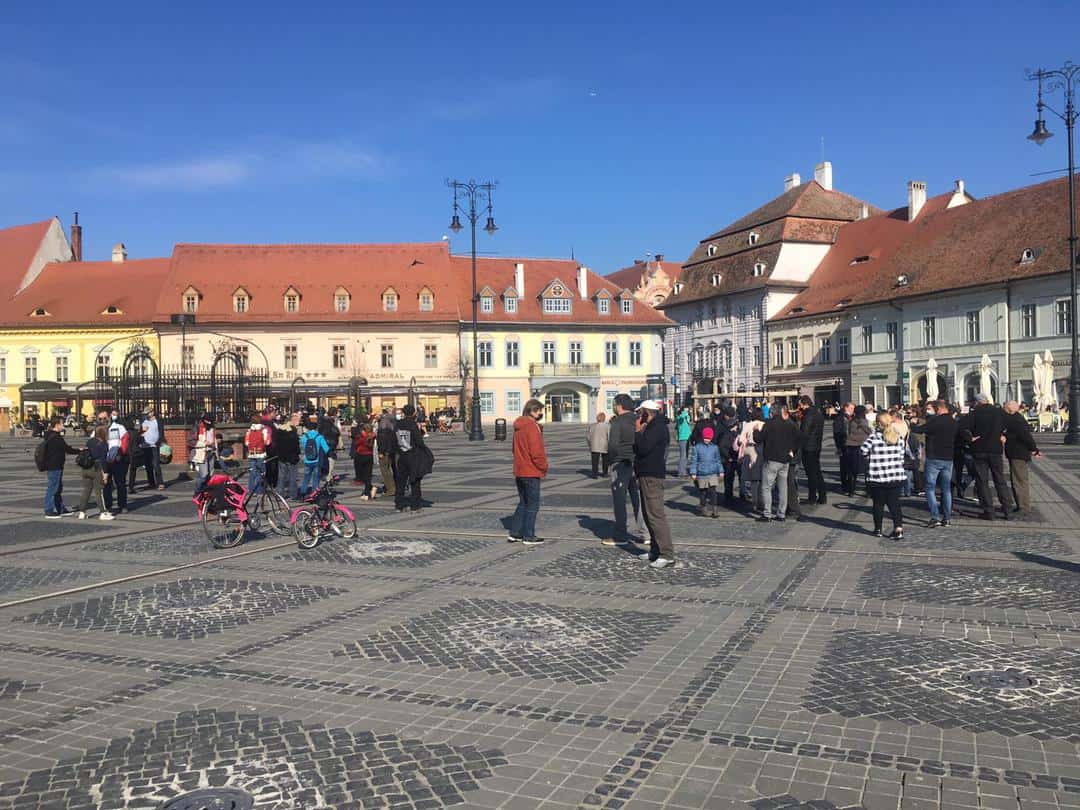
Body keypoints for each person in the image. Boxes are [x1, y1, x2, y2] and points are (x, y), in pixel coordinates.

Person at [633, 400, 674, 568]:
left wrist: (637, 432)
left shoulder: (656, 427)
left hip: (652, 475)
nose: (638, 417)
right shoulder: (653, 426)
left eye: (640, 413)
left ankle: (667, 553)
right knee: (648, 514)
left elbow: (643, 448)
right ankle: (655, 550)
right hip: (645, 473)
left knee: (656, 515)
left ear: (646, 413)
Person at [603, 394, 646, 546]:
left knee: (620, 500)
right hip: (637, 463)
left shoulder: (617, 422)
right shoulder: (637, 419)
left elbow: (613, 445)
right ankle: (646, 533)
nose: (614, 407)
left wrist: (611, 459)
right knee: (638, 499)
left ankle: (621, 535)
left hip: (620, 463)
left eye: (614, 404)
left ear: (619, 406)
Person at [910, 400, 958, 527]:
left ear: (940, 409)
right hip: (948, 458)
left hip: (934, 457)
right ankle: (947, 518)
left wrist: (912, 423)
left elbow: (919, 430)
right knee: (946, 489)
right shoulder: (954, 422)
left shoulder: (935, 421)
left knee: (930, 488)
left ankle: (935, 516)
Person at [967, 394, 1013, 520]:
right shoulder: (998, 412)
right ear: (987, 401)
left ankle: (989, 511)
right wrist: (1003, 434)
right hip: (995, 450)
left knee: (982, 482)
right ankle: (1007, 510)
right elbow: (1011, 423)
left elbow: (964, 428)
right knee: (1000, 480)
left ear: (977, 402)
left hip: (979, 449)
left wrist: (970, 438)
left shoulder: (974, 413)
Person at [861, 412, 907, 538]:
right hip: (895, 476)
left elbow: (863, 450)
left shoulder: (874, 437)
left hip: (878, 476)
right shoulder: (898, 437)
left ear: (879, 424)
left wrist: (871, 457)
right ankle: (898, 528)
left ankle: (878, 529)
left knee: (878, 504)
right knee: (894, 504)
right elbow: (902, 456)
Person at [508, 399, 548, 545]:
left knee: (523, 503)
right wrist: (543, 466)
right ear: (532, 411)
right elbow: (536, 452)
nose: (541, 413)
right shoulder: (531, 427)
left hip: (519, 470)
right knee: (532, 504)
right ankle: (529, 535)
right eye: (539, 411)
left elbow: (514, 449)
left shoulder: (519, 427)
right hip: (531, 471)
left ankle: (515, 533)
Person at [755, 405, 800, 522]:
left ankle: (767, 514)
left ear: (771, 414)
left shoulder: (769, 424)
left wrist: (756, 430)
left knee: (766, 487)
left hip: (772, 460)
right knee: (783, 488)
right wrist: (792, 451)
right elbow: (799, 439)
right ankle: (781, 514)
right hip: (785, 460)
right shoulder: (789, 424)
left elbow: (758, 439)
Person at [1003, 400, 1039, 516]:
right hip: (1017, 453)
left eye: (1005, 408)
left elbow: (1025, 436)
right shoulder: (1016, 418)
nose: (1004, 409)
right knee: (1018, 479)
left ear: (1010, 409)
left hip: (1018, 453)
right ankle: (1021, 505)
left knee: (1019, 480)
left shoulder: (1016, 420)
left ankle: (1023, 506)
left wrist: (1034, 449)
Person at [39, 416, 79, 517]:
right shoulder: (56, 437)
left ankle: (60, 508)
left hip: (54, 465)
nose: (63, 425)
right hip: (54, 466)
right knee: (53, 488)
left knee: (57, 487)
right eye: (62, 423)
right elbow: (67, 449)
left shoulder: (50, 436)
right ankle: (49, 510)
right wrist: (80, 451)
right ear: (57, 425)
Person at [394, 404, 427, 512]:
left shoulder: (398, 424)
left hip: (402, 455)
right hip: (413, 456)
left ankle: (399, 505)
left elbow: (395, 439)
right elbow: (419, 441)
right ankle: (415, 505)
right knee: (415, 481)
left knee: (401, 482)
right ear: (413, 413)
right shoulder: (413, 425)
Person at [75, 426, 113, 520]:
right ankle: (103, 512)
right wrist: (106, 472)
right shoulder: (103, 444)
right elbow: (104, 459)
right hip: (97, 468)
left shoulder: (90, 441)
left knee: (86, 491)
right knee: (99, 492)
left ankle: (82, 512)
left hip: (86, 468)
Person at [798, 396, 826, 505]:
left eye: (800, 405)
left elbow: (805, 432)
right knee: (817, 472)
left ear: (805, 404)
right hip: (816, 445)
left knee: (811, 474)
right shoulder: (818, 413)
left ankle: (812, 497)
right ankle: (822, 496)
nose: (799, 407)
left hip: (808, 447)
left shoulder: (808, 415)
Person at [735, 408, 765, 512]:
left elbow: (741, 440)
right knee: (762, 478)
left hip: (750, 450)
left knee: (753, 479)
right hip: (761, 449)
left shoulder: (748, 425)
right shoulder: (764, 424)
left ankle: (755, 502)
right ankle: (762, 501)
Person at [689, 426, 722, 518]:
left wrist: (721, 470)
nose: (707, 440)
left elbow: (718, 460)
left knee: (713, 492)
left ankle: (715, 509)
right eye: (705, 438)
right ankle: (703, 508)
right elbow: (694, 461)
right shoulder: (697, 447)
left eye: (709, 438)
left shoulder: (715, 447)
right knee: (703, 492)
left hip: (712, 473)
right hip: (701, 473)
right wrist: (693, 472)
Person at [103, 411, 130, 515]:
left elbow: (125, 439)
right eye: (100, 419)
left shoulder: (119, 427)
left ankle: (122, 505)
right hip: (105, 460)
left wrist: (121, 452)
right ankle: (108, 505)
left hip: (118, 459)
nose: (103, 420)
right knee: (107, 484)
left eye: (105, 418)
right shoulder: (99, 429)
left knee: (120, 483)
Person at [843, 405, 872, 497]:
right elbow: (870, 432)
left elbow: (847, 432)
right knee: (866, 471)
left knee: (852, 471)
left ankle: (851, 491)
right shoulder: (865, 422)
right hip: (863, 447)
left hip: (851, 446)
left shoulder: (851, 421)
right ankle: (868, 492)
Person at [714, 406, 740, 503]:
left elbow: (716, 439)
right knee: (729, 475)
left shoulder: (722, 424)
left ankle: (730, 494)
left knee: (729, 475)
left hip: (730, 454)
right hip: (728, 454)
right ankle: (729, 494)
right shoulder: (733, 424)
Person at [275, 411, 301, 500]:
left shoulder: (279, 431)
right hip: (292, 457)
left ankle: (280, 494)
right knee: (292, 477)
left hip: (282, 457)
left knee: (281, 477)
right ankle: (293, 494)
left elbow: (276, 444)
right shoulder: (293, 431)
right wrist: (297, 454)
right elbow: (296, 446)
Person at [299, 424, 330, 497]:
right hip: (317, 460)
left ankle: (303, 492)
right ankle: (314, 493)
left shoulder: (304, 437)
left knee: (306, 477)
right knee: (316, 477)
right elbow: (326, 449)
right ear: (316, 428)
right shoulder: (319, 436)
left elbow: (304, 447)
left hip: (307, 460)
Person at [244, 414, 271, 495]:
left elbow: (246, 443)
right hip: (261, 453)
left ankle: (251, 489)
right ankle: (259, 490)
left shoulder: (249, 430)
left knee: (252, 472)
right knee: (261, 472)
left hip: (251, 453)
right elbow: (267, 442)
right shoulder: (264, 430)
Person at [190, 414, 216, 494]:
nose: (210, 424)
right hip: (201, 453)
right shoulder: (197, 427)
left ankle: (206, 491)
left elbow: (214, 439)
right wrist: (204, 443)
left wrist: (216, 450)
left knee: (210, 475)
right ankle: (197, 491)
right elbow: (191, 442)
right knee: (204, 475)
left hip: (211, 452)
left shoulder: (212, 428)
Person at [140, 409, 165, 491]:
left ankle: (160, 482)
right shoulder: (144, 421)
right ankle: (151, 483)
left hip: (154, 446)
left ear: (152, 412)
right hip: (146, 446)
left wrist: (158, 442)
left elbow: (161, 433)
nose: (146, 415)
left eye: (147, 413)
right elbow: (141, 433)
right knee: (148, 465)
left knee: (156, 464)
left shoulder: (158, 421)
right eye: (145, 414)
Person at [351, 421, 377, 499]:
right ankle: (367, 490)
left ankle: (367, 491)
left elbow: (356, 444)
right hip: (369, 456)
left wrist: (361, 436)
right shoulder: (373, 435)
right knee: (367, 475)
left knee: (362, 475)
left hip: (361, 456)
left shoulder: (362, 437)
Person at [376, 410, 398, 498]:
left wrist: (381, 451)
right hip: (394, 449)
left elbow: (381, 439)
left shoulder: (383, 424)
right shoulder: (394, 423)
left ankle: (391, 488)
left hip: (385, 450)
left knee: (385, 469)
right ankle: (396, 486)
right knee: (394, 468)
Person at [833, 402, 853, 496]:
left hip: (851, 444)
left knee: (850, 466)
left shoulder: (852, 417)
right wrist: (839, 447)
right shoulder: (840, 418)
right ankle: (845, 485)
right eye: (851, 408)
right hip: (843, 445)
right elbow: (837, 434)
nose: (853, 410)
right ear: (846, 408)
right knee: (844, 467)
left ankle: (850, 485)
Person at [319, 408, 341, 480]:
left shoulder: (322, 420)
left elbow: (320, 430)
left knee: (324, 457)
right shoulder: (332, 421)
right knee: (331, 457)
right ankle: (329, 475)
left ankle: (324, 473)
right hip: (331, 441)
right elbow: (336, 432)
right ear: (334, 413)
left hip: (323, 441)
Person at [587, 412, 611, 478]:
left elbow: (588, 437)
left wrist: (590, 445)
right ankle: (605, 473)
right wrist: (610, 445)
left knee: (594, 461)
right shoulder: (608, 426)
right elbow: (609, 436)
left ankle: (594, 474)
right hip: (605, 446)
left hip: (594, 446)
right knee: (605, 460)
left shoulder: (592, 426)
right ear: (604, 418)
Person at [675, 406, 693, 477]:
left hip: (688, 437)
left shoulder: (686, 416)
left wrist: (688, 415)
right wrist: (685, 413)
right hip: (682, 438)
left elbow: (688, 421)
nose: (687, 410)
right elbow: (681, 418)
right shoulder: (679, 417)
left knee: (686, 455)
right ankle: (680, 472)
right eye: (686, 409)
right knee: (683, 455)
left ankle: (683, 471)